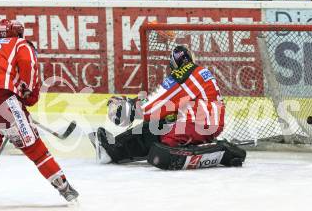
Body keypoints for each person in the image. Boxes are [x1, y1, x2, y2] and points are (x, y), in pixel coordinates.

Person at [0, 19, 79, 202]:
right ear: (19, 32)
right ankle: (65, 189)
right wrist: (28, 97)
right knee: (35, 149)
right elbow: (29, 68)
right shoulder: (21, 45)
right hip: (5, 102)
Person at [91, 45, 246, 170]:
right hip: (202, 123)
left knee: (164, 145)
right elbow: (166, 102)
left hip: (198, 124)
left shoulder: (186, 74)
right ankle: (113, 151)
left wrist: (131, 108)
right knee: (159, 126)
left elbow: (158, 101)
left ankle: (113, 151)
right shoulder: (196, 73)